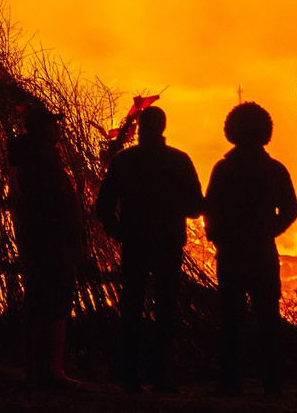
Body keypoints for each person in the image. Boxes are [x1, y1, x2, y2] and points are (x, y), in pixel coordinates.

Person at [95, 103, 204, 391]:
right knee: (166, 309)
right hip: (168, 244)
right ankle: (160, 375)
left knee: (130, 308)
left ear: (141, 128)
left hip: (134, 243)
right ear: (163, 128)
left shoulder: (124, 161)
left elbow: (104, 205)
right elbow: (195, 207)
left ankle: (130, 375)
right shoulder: (179, 161)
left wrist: (118, 230)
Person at [204, 102, 297, 394]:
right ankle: (273, 380)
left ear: (231, 130)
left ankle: (231, 380)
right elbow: (290, 210)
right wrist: (270, 230)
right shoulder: (274, 169)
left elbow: (209, 206)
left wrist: (216, 234)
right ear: (264, 131)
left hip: (231, 254)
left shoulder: (224, 169)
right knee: (268, 317)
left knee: (231, 318)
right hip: (262, 253)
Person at [7, 97, 87, 386]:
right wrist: (65, 239)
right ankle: (50, 369)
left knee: (44, 303)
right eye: (52, 125)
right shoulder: (39, 163)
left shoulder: (34, 160)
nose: (57, 129)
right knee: (51, 304)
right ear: (41, 129)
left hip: (47, 243)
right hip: (51, 244)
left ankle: (42, 368)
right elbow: (49, 206)